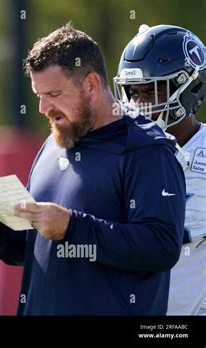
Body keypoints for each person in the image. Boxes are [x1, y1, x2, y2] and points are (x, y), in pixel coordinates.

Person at [0, 24, 186, 315]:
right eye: (38, 94)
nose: (42, 107)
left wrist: (72, 227)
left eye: (53, 93)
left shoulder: (145, 148)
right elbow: (30, 251)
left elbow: (162, 246)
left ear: (91, 84)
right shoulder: (54, 144)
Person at [114, 24, 205, 315]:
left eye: (154, 90)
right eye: (134, 92)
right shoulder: (114, 152)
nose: (140, 103)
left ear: (190, 86)